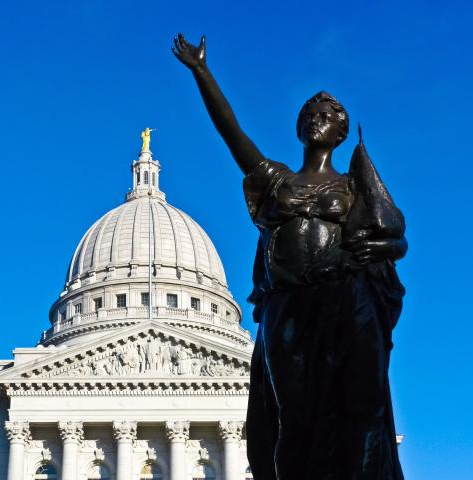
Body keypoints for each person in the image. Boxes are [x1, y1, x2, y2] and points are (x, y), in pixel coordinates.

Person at [173, 33, 407, 480]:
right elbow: (232, 135)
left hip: (342, 300)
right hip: (288, 305)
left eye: (327, 116)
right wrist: (201, 72)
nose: (318, 120)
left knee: (358, 409)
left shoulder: (353, 187)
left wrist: (384, 248)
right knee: (289, 419)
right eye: (310, 115)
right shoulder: (277, 181)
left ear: (341, 133)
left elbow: (391, 237)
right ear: (299, 128)